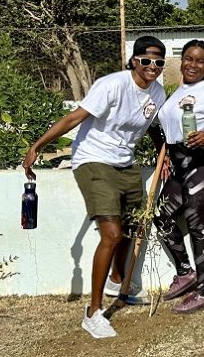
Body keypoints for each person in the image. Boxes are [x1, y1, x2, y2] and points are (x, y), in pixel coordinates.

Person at [22, 36, 167, 339]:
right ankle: (93, 312)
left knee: (129, 229)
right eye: (146, 60)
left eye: (159, 62)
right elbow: (75, 117)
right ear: (134, 61)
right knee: (111, 234)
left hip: (125, 163)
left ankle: (116, 278)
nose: (152, 66)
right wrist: (38, 146)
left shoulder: (158, 92)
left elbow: (153, 126)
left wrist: (161, 154)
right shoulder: (112, 85)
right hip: (93, 159)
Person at [152, 39, 204, 314]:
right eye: (188, 58)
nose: (192, 64)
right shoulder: (178, 92)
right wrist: (164, 155)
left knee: (199, 227)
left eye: (200, 60)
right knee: (161, 215)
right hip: (179, 164)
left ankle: (203, 293)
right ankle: (185, 271)